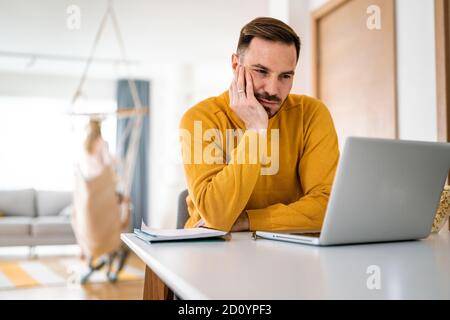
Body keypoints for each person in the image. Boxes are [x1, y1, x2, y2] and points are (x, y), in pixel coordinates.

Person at [179, 17, 340, 232]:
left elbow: (328, 207)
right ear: (236, 65)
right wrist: (256, 130)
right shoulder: (200, 118)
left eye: (285, 76)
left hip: (287, 247)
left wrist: (248, 221)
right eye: (261, 72)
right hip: (210, 248)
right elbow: (217, 217)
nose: (273, 89)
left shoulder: (311, 114)